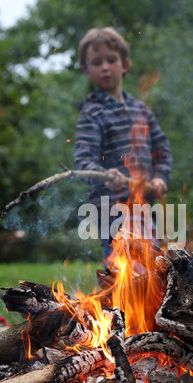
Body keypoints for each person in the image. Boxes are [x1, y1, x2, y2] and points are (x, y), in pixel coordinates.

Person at [74, 27, 172, 264]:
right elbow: (82, 160)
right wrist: (104, 175)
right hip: (111, 210)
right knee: (122, 275)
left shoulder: (141, 110)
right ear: (87, 70)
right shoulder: (92, 112)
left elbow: (162, 151)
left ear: (125, 64)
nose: (105, 67)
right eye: (97, 63)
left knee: (152, 271)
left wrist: (160, 178)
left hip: (144, 207)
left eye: (111, 60)